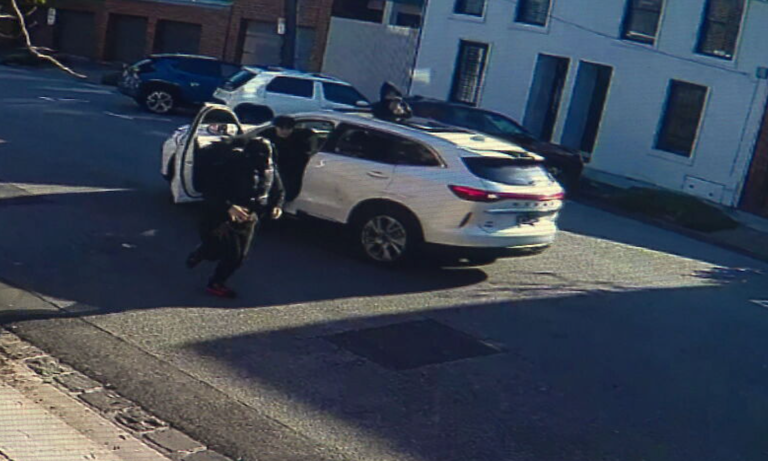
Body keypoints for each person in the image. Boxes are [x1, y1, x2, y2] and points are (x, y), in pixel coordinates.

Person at [186, 135, 285, 298]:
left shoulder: (270, 168)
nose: (265, 163)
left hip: (248, 217)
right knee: (214, 250)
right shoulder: (231, 164)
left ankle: (216, 283)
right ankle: (203, 252)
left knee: (237, 256)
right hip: (220, 214)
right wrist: (229, 207)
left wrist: (277, 205)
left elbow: (278, 189)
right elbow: (210, 191)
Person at [261, 116, 318, 201]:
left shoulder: (299, 140)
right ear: (276, 127)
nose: (285, 131)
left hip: (291, 172)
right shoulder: (267, 136)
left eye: (288, 128)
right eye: (281, 128)